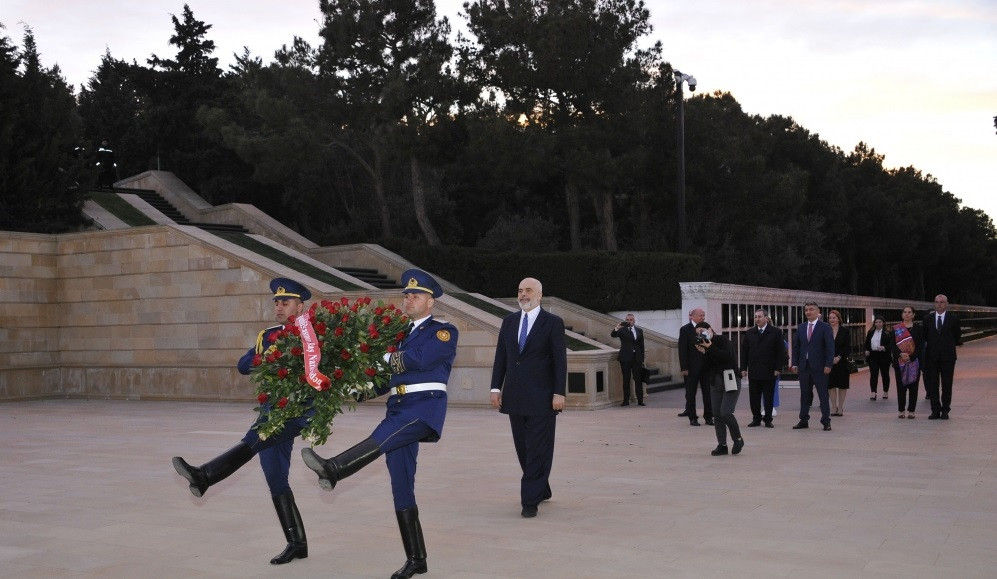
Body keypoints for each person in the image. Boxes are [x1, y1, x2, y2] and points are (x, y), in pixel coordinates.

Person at [301, 269, 457, 579]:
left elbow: (421, 359)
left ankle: (335, 469)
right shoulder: (400, 336)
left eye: (415, 295)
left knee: (381, 437)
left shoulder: (443, 331)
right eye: (406, 295)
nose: (408, 299)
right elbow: (387, 381)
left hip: (423, 409)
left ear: (431, 303)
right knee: (401, 485)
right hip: (399, 407)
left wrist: (383, 359)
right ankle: (417, 560)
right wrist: (357, 392)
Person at [172, 277, 315, 565]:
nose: (279, 306)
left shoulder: (313, 335)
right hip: (273, 408)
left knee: (257, 437)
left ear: (300, 305)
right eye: (276, 302)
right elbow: (243, 365)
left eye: (285, 302)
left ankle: (206, 475)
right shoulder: (269, 335)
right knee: (275, 477)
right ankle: (296, 543)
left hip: (299, 409)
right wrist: (269, 358)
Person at [489, 277, 567, 518]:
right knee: (523, 448)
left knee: (537, 448)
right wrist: (495, 388)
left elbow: (559, 360)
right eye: (520, 290)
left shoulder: (552, 323)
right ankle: (541, 488)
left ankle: (529, 500)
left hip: (543, 398)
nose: (523, 294)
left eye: (528, 290)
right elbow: (501, 356)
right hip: (514, 397)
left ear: (539, 295)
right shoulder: (509, 322)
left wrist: (559, 392)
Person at [695, 322, 744, 456]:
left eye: (703, 331)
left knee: (726, 412)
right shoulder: (704, 345)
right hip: (715, 382)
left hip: (730, 379)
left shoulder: (722, 340)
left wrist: (710, 347)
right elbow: (706, 368)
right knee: (717, 414)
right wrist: (704, 353)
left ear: (710, 329)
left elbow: (727, 357)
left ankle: (738, 439)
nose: (701, 334)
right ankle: (722, 445)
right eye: (698, 333)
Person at [791, 301, 834, 431]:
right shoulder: (801, 327)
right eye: (806, 310)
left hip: (820, 367)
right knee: (804, 394)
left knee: (823, 394)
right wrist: (794, 363)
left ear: (817, 311)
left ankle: (826, 421)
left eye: (811, 309)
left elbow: (830, 348)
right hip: (804, 367)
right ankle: (803, 420)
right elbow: (796, 347)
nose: (808, 312)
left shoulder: (825, 327)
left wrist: (828, 364)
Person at [740, 308, 787, 428]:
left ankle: (767, 419)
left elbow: (780, 352)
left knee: (768, 396)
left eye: (759, 317)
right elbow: (744, 352)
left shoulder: (775, 332)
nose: (757, 319)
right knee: (754, 397)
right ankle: (756, 419)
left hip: (769, 371)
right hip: (754, 370)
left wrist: (778, 368)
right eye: (755, 317)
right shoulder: (750, 333)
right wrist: (743, 368)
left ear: (766, 318)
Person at [922, 294, 961, 420]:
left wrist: (946, 346)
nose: (939, 304)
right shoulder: (927, 318)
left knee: (947, 384)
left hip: (948, 357)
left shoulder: (953, 318)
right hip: (932, 357)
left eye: (942, 302)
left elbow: (957, 336)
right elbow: (925, 336)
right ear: (934, 303)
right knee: (933, 384)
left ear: (946, 303)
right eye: (937, 302)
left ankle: (945, 410)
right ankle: (935, 410)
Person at [677, 308, 713, 426]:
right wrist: (684, 367)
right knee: (691, 394)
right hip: (691, 368)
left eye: (703, 315)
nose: (702, 317)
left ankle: (708, 417)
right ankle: (693, 417)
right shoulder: (685, 330)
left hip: (706, 367)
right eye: (700, 315)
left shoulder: (707, 328)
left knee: (708, 393)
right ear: (692, 316)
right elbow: (682, 350)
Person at [892, 306, 925, 419]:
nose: (907, 314)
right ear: (902, 314)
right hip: (899, 362)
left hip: (914, 362)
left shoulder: (919, 329)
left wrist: (911, 357)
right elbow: (893, 345)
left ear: (913, 315)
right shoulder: (896, 329)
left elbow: (920, 346)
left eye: (909, 312)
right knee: (901, 387)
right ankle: (901, 410)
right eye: (905, 312)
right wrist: (900, 354)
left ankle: (911, 410)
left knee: (913, 387)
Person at [611, 313, 645, 406]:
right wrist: (616, 328)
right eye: (627, 320)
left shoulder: (639, 331)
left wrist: (642, 359)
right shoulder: (622, 330)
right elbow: (613, 335)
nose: (629, 321)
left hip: (636, 358)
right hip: (625, 358)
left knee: (638, 379)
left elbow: (642, 346)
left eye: (630, 320)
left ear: (634, 321)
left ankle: (640, 400)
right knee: (626, 379)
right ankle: (626, 400)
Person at [826, 310, 851, 417]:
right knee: (830, 385)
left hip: (842, 362)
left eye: (834, 318)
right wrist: (830, 358)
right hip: (829, 361)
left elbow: (847, 347)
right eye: (830, 318)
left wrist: (839, 357)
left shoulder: (845, 331)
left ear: (838, 319)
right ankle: (833, 406)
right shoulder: (826, 330)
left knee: (842, 385)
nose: (832, 320)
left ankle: (840, 406)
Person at [864, 316, 894, 401]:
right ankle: (873, 392)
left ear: (883, 323)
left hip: (884, 356)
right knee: (873, 374)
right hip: (873, 356)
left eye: (880, 322)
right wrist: (866, 350)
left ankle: (885, 391)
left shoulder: (888, 333)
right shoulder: (870, 332)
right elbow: (866, 343)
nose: (878, 324)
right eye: (876, 322)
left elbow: (891, 344)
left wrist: (884, 347)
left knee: (885, 374)